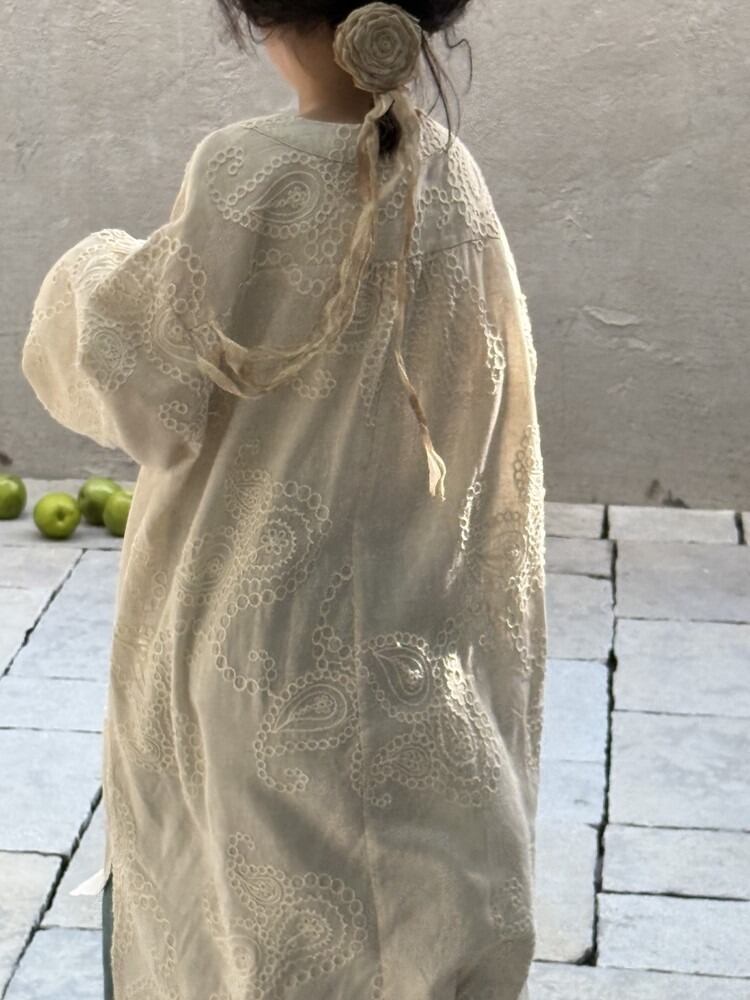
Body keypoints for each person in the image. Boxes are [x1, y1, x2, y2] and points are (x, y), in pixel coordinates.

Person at [22, 3, 547, 998]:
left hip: (253, 650)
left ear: (262, 16)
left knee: (237, 934)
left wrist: (89, 270)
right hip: (415, 655)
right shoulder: (451, 179)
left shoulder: (245, 171)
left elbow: (145, 390)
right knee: (409, 921)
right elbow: (488, 401)